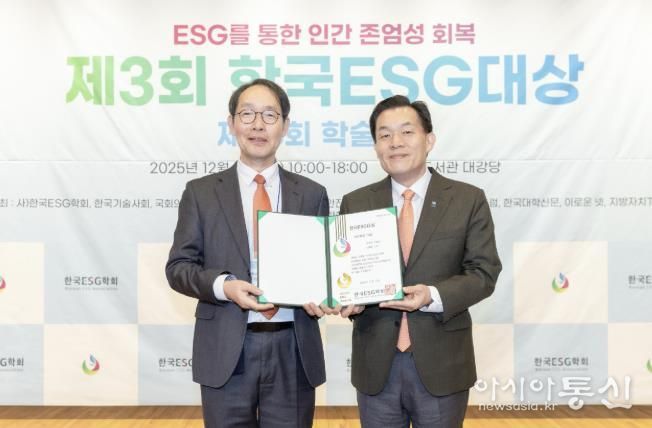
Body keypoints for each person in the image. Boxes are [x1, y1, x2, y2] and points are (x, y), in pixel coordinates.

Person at [166, 78, 330, 427]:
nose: (258, 125)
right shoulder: (201, 193)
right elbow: (178, 267)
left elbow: (324, 268)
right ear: (231, 123)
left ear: (285, 126)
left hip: (293, 348)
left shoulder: (312, 194)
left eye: (269, 115)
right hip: (226, 348)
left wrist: (328, 292)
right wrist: (224, 286)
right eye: (247, 114)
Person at [339, 95, 502, 427]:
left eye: (406, 132)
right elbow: (346, 274)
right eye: (384, 135)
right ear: (376, 146)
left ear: (429, 140)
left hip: (442, 363)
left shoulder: (467, 199)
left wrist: (432, 295)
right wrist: (347, 298)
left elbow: (483, 272)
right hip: (376, 365)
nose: (395, 142)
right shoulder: (355, 203)